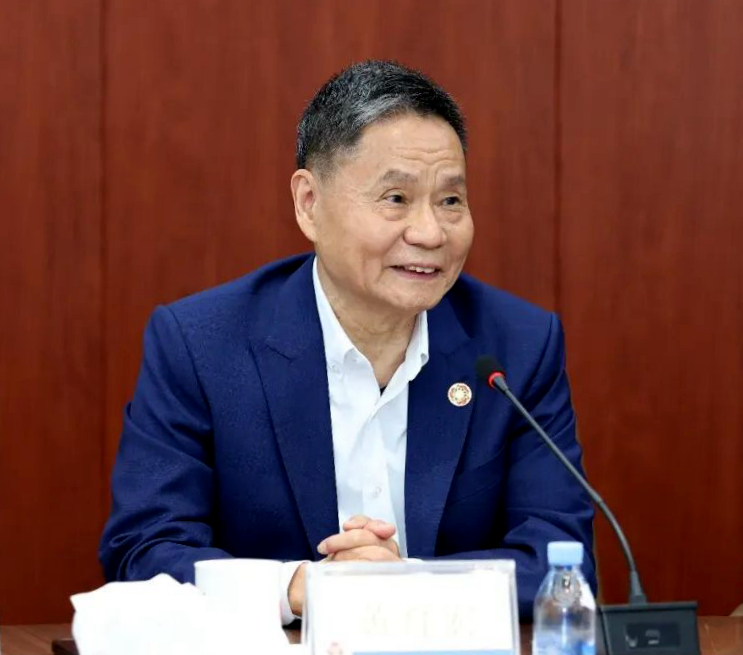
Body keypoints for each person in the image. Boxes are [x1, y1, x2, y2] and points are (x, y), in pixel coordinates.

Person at [100, 60, 595, 622]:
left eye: (450, 201)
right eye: (396, 198)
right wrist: (301, 587)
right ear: (309, 203)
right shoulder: (201, 346)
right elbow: (144, 550)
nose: (430, 232)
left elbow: (562, 561)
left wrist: (406, 582)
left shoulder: (517, 347)